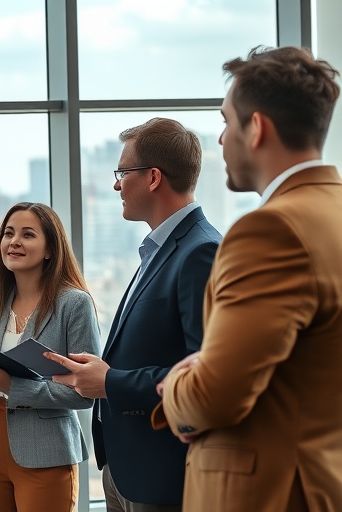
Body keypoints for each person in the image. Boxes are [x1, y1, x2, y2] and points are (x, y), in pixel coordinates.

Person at [152, 46, 342, 511]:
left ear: (256, 128)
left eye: (226, 121)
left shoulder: (271, 230)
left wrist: (176, 384)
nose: (220, 140)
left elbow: (213, 397)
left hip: (268, 494)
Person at [45, 118, 221, 511]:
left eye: (123, 173)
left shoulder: (200, 252)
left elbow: (208, 373)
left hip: (164, 476)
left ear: (153, 177)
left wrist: (110, 382)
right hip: (127, 467)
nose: (116, 185)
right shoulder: (160, 248)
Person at [0, 202, 99, 512]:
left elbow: (85, 393)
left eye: (28, 235)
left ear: (50, 248)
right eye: (8, 233)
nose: (14, 242)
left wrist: (11, 386)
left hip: (46, 449)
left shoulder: (74, 304)